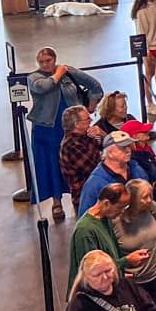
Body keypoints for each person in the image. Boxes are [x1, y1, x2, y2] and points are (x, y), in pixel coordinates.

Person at [28, 46, 103, 221]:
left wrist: (89, 108)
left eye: (49, 60)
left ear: (55, 59)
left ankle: (83, 201)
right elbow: (42, 87)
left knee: (80, 166)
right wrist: (57, 74)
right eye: (42, 62)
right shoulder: (34, 77)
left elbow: (94, 85)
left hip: (72, 129)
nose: (46, 64)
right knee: (51, 167)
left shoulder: (68, 72)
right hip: (46, 130)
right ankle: (56, 203)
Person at [69, 182, 151, 294]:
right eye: (119, 207)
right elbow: (93, 271)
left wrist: (120, 274)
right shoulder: (85, 231)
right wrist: (126, 261)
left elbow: (111, 253)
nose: (122, 211)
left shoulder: (106, 218)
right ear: (107, 203)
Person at [114, 177, 156, 302]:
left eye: (150, 195)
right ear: (133, 199)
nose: (149, 200)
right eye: (144, 197)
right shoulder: (115, 221)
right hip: (135, 283)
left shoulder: (151, 207)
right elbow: (110, 254)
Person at [58, 104, 103, 215]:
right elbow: (96, 166)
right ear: (77, 124)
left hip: (97, 192)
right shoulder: (72, 146)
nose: (91, 120)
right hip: (87, 198)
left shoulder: (85, 136)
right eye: (87, 118)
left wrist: (102, 134)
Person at [80, 130, 136, 215]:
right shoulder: (94, 183)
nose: (128, 150)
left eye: (129, 146)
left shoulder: (136, 168)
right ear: (110, 152)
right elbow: (85, 218)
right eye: (123, 147)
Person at [122, 120, 156, 201]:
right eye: (142, 131)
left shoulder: (145, 149)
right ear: (134, 137)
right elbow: (141, 188)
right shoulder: (133, 161)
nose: (147, 131)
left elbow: (151, 171)